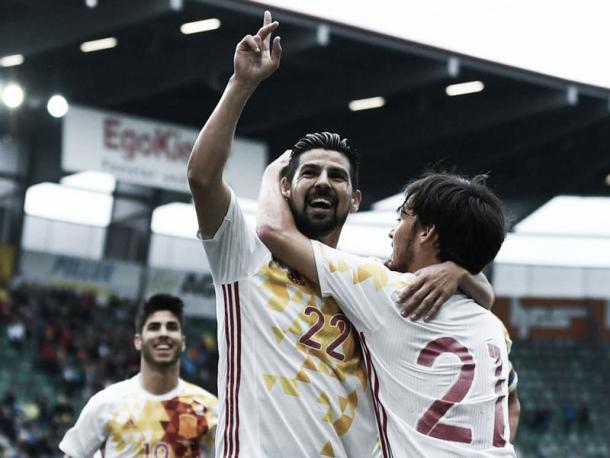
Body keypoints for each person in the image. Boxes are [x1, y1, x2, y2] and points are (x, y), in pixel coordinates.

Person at [187, 11, 497, 457]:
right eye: (309, 172)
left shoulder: (370, 281)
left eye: (337, 176)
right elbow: (201, 178)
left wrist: (456, 270)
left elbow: (482, 302)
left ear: (354, 199)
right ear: (286, 188)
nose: (323, 181)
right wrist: (242, 85)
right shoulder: (243, 255)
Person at [256, 154, 519, 456]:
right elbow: (514, 406)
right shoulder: (493, 326)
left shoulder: (388, 291)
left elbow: (272, 231)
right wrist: (461, 270)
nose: (393, 232)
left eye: (402, 217)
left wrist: (274, 172)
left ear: (426, 232)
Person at [59, 294, 218, 457]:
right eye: (154, 327)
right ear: (138, 341)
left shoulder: (209, 408)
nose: (163, 333)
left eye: (171, 327)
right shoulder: (106, 403)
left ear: (183, 342)